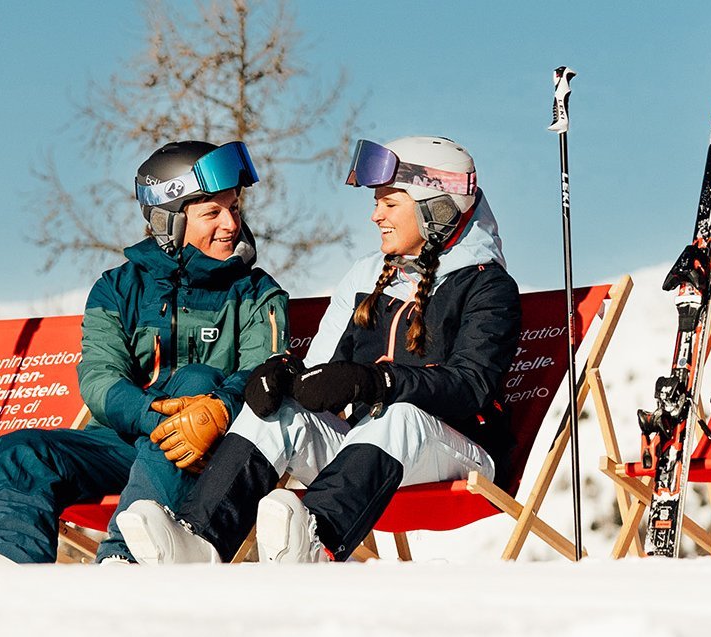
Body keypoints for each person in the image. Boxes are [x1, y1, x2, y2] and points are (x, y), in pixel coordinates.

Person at [116, 136, 519, 564]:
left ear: (435, 207)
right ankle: (201, 540)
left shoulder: (487, 286)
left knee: (400, 415)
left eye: (389, 203)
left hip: (459, 449)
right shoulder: (366, 274)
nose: (375, 214)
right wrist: (286, 376)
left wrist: (376, 382)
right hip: (366, 447)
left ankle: (317, 540)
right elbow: (321, 373)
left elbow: (471, 386)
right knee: (277, 415)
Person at [0, 140, 290, 565]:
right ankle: (7, 561)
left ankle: (123, 560)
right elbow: (100, 380)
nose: (231, 224)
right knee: (20, 450)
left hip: (210, 452)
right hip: (121, 442)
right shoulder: (117, 288)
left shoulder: (258, 293)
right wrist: (159, 417)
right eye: (212, 212)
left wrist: (217, 409)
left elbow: (267, 370)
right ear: (169, 221)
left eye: (234, 208)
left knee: (198, 380)